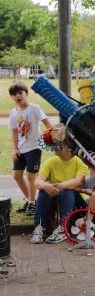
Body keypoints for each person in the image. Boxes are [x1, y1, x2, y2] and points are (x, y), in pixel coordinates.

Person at [9, 82, 52, 216]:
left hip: (34, 147)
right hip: (21, 149)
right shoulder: (13, 113)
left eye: (20, 93)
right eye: (14, 94)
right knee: (16, 175)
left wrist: (54, 135)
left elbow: (47, 123)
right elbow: (15, 132)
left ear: (26, 94)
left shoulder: (34, 108)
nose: (17, 96)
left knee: (30, 176)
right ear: (12, 97)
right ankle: (30, 200)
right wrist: (14, 149)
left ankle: (32, 203)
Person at [31, 146, 88, 244]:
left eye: (59, 146)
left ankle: (63, 228)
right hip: (55, 198)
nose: (54, 147)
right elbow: (37, 182)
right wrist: (45, 186)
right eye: (54, 145)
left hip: (76, 203)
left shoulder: (79, 162)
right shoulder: (51, 161)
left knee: (67, 190)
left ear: (69, 149)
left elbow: (78, 182)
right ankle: (39, 227)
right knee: (44, 190)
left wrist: (60, 186)